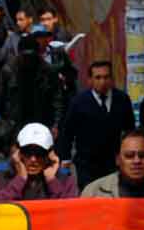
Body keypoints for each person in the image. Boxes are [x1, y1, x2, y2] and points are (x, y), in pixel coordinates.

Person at [57, 61, 135, 189]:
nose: (102, 81)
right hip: (87, 164)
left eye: (106, 77)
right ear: (90, 80)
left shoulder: (122, 99)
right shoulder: (79, 102)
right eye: (98, 77)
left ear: (111, 78)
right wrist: (65, 159)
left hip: (113, 162)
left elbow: (129, 130)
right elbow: (68, 132)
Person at [0, 123, 78, 202]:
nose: (33, 159)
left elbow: (69, 212)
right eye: (28, 152)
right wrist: (20, 179)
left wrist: (52, 181)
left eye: (39, 153)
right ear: (18, 152)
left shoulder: (65, 179)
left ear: (49, 154)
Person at [81, 131, 144, 198]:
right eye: (129, 156)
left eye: (143, 155)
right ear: (118, 160)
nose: (137, 161)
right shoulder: (93, 193)